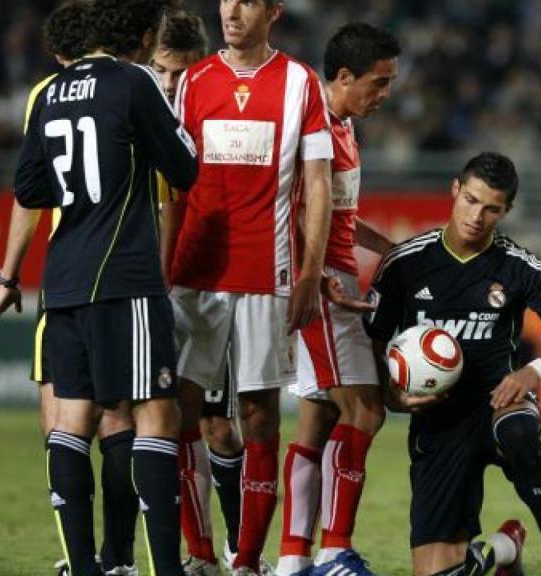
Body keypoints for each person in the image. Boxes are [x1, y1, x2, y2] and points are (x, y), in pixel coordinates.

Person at [0, 2, 177, 575]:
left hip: (61, 281)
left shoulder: (44, 95)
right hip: (123, 273)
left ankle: (96, 562)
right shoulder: (132, 85)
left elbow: (29, 192)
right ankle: (136, 561)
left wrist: (9, 275)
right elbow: (175, 179)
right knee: (140, 417)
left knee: (69, 420)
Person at [363, 152, 541, 576]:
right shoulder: (406, 263)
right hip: (438, 424)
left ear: (506, 210)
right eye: (471, 200)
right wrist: (393, 396)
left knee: (519, 433)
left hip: (499, 401)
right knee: (437, 573)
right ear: (455, 189)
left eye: (492, 208)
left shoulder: (518, 267)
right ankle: (505, 546)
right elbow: (374, 343)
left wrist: (532, 372)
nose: (477, 216)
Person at [162, 0, 334, 573]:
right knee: (180, 411)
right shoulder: (191, 82)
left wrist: (310, 273)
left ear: (273, 11)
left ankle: (247, 563)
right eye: (227, 0)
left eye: (248, 1)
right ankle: (203, 555)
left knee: (259, 416)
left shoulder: (300, 83)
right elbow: (173, 189)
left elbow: (317, 183)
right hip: (196, 273)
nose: (232, 11)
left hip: (268, 272)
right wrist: (164, 270)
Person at [275, 22, 400, 576]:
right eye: (378, 82)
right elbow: (301, 211)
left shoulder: (345, 126)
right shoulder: (314, 125)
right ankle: (334, 551)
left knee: (317, 419)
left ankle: (291, 559)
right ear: (344, 76)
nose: (385, 94)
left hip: (334, 274)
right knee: (365, 411)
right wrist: (316, 273)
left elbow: (341, 217)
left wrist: (393, 249)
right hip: (325, 284)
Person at [146, 10, 247, 575]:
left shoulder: (211, 103)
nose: (168, 83)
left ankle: (236, 544)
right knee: (175, 419)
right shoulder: (140, 110)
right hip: (164, 287)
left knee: (219, 427)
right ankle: (201, 554)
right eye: (160, 70)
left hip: (213, 284)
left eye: (177, 73)